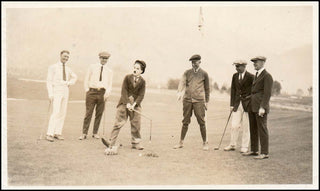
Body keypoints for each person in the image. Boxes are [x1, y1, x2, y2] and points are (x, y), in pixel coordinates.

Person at [101, 60, 147, 152]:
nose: (135, 70)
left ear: (141, 71)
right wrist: (127, 104)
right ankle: (111, 142)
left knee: (136, 124)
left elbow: (141, 95)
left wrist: (134, 105)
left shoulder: (142, 82)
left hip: (135, 105)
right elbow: (124, 91)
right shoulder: (127, 77)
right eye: (134, 67)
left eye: (137, 69)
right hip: (123, 103)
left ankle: (136, 143)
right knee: (118, 123)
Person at [173, 54, 210, 151]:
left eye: (196, 62)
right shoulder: (187, 72)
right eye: (192, 62)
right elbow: (182, 82)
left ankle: (205, 143)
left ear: (200, 62)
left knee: (201, 122)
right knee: (185, 121)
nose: (194, 64)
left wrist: (207, 102)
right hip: (187, 100)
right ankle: (180, 142)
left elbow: (207, 89)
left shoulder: (204, 74)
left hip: (199, 101)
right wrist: (179, 92)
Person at [242, 56, 273, 159]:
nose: (254, 64)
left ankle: (264, 152)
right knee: (253, 128)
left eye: (257, 62)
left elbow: (267, 93)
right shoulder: (257, 75)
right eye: (254, 62)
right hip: (252, 106)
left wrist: (263, 107)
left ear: (263, 62)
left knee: (262, 129)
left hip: (260, 107)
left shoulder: (267, 76)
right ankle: (254, 150)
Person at [79, 51, 113, 140]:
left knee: (99, 114)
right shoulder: (92, 67)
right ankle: (84, 133)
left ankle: (95, 133)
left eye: (106, 59)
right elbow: (86, 79)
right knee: (88, 113)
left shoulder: (109, 71)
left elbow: (109, 84)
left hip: (102, 93)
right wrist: (87, 90)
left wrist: (107, 93)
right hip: (92, 92)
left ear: (107, 60)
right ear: (99, 58)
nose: (104, 60)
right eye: (102, 58)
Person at [46, 50, 77, 142]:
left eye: (67, 57)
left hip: (65, 90)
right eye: (64, 56)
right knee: (56, 112)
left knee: (63, 112)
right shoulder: (53, 67)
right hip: (57, 90)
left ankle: (57, 132)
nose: (66, 58)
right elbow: (49, 81)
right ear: (60, 56)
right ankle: (49, 133)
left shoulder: (68, 68)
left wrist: (69, 83)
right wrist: (50, 94)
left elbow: (75, 77)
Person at [224, 60, 255, 153]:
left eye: (238, 66)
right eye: (236, 66)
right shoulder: (235, 76)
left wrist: (249, 100)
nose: (236, 68)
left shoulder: (251, 77)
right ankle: (232, 144)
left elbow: (253, 91)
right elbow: (233, 90)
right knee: (234, 125)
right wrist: (231, 104)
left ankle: (244, 146)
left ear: (244, 66)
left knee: (246, 127)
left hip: (247, 105)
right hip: (237, 104)